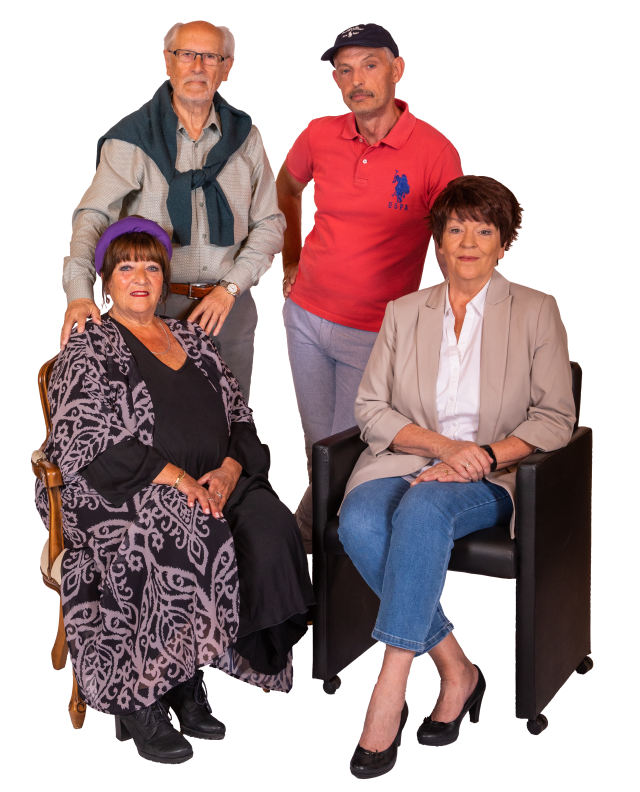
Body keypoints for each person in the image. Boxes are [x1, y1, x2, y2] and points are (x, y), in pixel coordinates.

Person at [36, 217, 314, 765]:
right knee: (187, 525)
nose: (140, 278)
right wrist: (179, 478)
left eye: (151, 267)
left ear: (164, 278)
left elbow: (240, 418)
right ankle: (140, 697)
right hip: (118, 490)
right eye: (125, 267)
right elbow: (86, 441)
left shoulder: (193, 339)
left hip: (213, 480)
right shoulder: (88, 348)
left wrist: (230, 469)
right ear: (105, 280)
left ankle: (187, 669)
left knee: (272, 525)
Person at [336, 175, 575, 779]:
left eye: (484, 230)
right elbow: (371, 409)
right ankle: (456, 667)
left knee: (422, 510)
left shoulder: (537, 309)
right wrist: (444, 447)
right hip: (408, 461)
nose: (468, 242)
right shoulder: (404, 313)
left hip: (497, 472)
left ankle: (390, 683)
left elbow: (556, 417)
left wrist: (483, 456)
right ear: (437, 243)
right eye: (455, 229)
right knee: (358, 519)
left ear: (504, 243)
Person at [276, 23, 463, 553]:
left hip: (374, 332)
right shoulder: (319, 134)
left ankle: (297, 549)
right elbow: (286, 187)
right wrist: (291, 257)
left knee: (344, 453)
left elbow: (456, 241)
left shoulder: (435, 151)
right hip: (306, 318)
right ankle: (311, 563)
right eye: (345, 69)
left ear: (397, 69)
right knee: (319, 449)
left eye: (370, 65)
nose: (356, 79)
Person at [59, 20, 285, 401]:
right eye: (186, 54)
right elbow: (92, 217)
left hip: (229, 309)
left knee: (233, 418)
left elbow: (270, 224)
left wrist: (229, 289)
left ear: (226, 67)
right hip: (152, 305)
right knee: (157, 419)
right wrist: (80, 293)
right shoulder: (133, 138)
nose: (197, 66)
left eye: (210, 57)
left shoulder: (246, 137)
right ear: (168, 61)